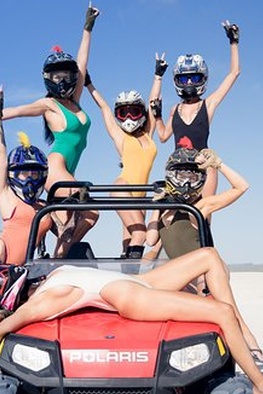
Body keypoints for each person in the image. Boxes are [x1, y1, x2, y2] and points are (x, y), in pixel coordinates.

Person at [0, 247, 263, 394]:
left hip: (141, 283)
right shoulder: (42, 302)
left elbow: (1, 316)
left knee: (210, 255)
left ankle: (244, 329)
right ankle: (261, 385)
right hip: (131, 298)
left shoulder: (50, 278)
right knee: (220, 313)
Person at [0, 4, 101, 257]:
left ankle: (58, 259)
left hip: (69, 170)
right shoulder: (49, 105)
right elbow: (18, 110)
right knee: (86, 210)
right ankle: (51, 262)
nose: (63, 80)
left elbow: (82, 62)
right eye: (57, 77)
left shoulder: (76, 101)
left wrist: (87, 28)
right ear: (48, 79)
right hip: (56, 168)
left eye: (66, 75)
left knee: (82, 220)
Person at [84, 53, 165, 257]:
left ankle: (125, 277)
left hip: (141, 194)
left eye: (134, 112)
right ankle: (130, 281)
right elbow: (103, 107)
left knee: (128, 242)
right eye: (123, 113)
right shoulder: (120, 137)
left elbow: (153, 102)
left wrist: (158, 76)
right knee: (140, 235)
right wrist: (88, 84)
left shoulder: (148, 133)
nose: (129, 117)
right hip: (123, 187)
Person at [155, 20, 240, 198]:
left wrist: (233, 42)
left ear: (203, 78)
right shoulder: (175, 109)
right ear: (177, 81)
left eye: (194, 78)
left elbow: (234, 73)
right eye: (185, 79)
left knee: (204, 214)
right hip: (178, 169)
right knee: (175, 215)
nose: (189, 83)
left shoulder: (208, 104)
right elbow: (162, 136)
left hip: (204, 166)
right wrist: (157, 116)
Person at [0, 87, 52, 268]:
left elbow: (65, 231)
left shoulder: (46, 207)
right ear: (13, 174)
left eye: (35, 172)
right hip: (0, 264)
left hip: (26, 271)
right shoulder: (6, 195)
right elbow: (0, 150)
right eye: (24, 172)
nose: (30, 177)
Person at [145, 140, 249, 260]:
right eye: (182, 177)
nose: (187, 183)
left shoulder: (200, 206)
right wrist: (158, 206)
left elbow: (242, 186)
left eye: (193, 178)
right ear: (172, 175)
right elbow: (150, 240)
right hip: (179, 273)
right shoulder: (165, 208)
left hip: (198, 272)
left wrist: (218, 164)